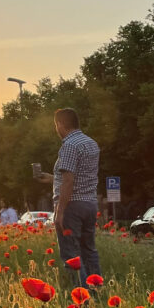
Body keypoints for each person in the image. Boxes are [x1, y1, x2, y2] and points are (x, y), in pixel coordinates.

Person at [36, 108, 101, 287]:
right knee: (89, 251)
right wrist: (51, 178)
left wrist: (60, 212)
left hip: (72, 206)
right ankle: (97, 292)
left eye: (55, 125)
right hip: (90, 204)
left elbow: (69, 180)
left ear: (61, 124)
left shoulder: (69, 145)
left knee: (71, 255)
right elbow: (79, 175)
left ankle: (81, 297)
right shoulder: (91, 143)